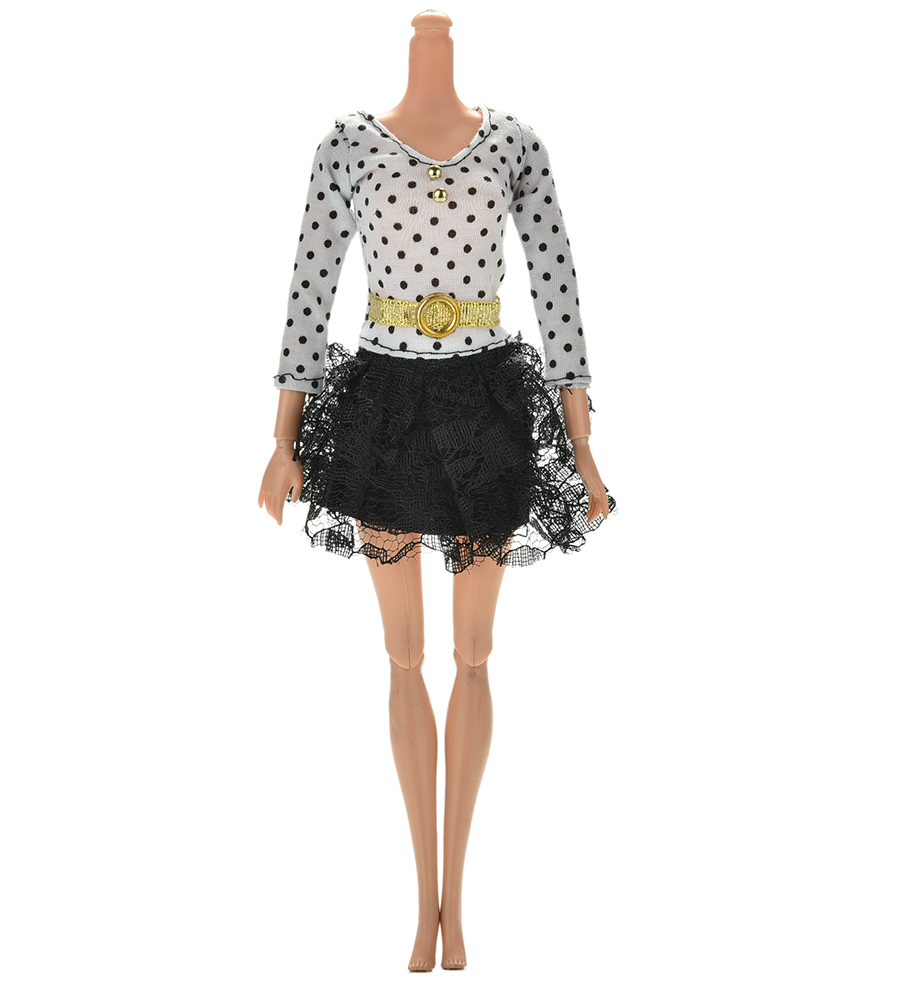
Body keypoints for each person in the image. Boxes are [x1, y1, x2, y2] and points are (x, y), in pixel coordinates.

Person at [257, 9, 615, 973]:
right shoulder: (347, 145)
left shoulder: (515, 143)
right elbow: (308, 286)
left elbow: (558, 288)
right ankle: (425, 907)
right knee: (403, 654)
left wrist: (582, 446)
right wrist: (282, 438)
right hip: (381, 406)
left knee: (476, 653)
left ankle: (461, 902)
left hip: (487, 402)